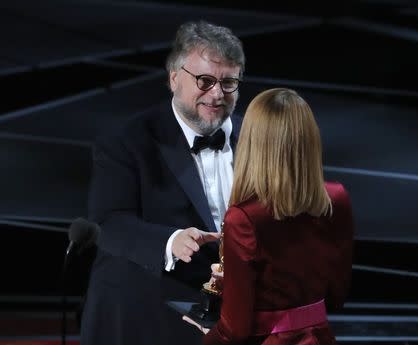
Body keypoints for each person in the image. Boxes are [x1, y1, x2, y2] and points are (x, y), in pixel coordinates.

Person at [80, 20, 245, 345]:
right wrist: (170, 242)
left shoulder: (257, 136)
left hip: (235, 319)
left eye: (229, 83)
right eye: (205, 80)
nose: (217, 94)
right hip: (146, 318)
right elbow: (108, 223)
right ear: (174, 78)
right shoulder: (125, 140)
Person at [183, 88, 354, 345]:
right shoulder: (337, 198)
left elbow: (235, 330)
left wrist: (210, 336)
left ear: (253, 142)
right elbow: (337, 295)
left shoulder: (244, 218)